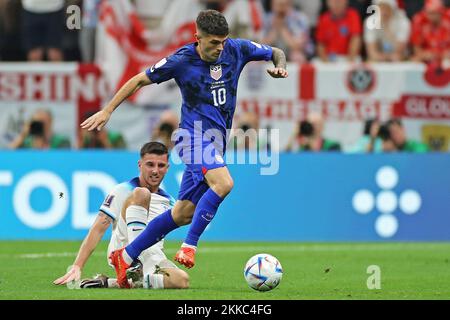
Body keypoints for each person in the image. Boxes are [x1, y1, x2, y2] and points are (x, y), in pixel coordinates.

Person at [81, 9, 288, 288]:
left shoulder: (237, 49)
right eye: (213, 42)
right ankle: (190, 245)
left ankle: (126, 255)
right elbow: (138, 79)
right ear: (197, 38)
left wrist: (280, 66)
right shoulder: (181, 60)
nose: (220, 48)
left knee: (182, 213)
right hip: (192, 137)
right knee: (224, 183)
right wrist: (107, 110)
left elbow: (276, 51)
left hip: (216, 142)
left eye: (223, 41)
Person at [53, 142, 189, 289]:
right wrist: (77, 265)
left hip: (152, 255)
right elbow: (99, 227)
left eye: (161, 166)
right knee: (142, 193)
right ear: (140, 165)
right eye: (150, 164)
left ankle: (115, 282)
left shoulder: (169, 201)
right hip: (122, 252)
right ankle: (132, 262)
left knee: (181, 280)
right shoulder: (123, 190)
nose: (155, 171)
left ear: (167, 168)